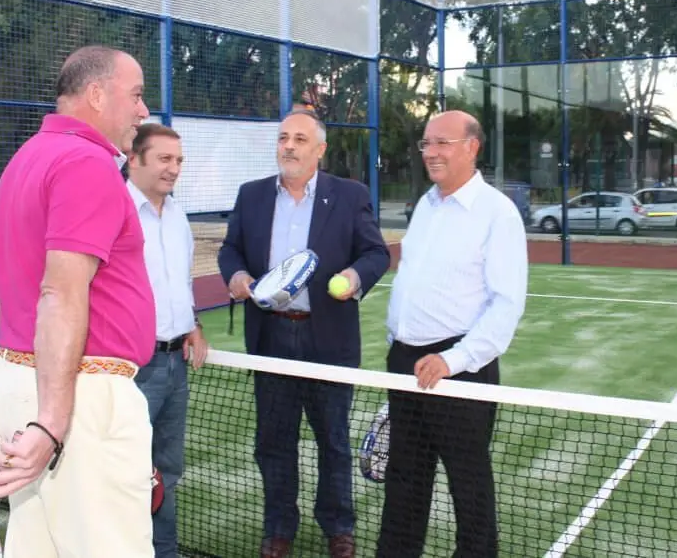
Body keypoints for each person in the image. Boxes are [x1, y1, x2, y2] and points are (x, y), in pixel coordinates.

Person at [0, 45, 156, 558]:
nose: (143, 110)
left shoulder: (27, 158)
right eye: (136, 95)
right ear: (97, 95)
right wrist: (53, 423)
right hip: (80, 397)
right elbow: (60, 291)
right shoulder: (87, 163)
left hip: (21, 378)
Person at [217, 108, 391, 558]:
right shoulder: (252, 195)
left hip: (328, 340)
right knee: (274, 441)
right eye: (283, 138)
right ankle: (279, 528)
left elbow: (376, 254)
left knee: (333, 441)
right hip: (270, 339)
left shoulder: (349, 196)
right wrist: (236, 275)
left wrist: (353, 277)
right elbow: (231, 250)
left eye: (299, 139)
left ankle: (338, 527)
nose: (289, 146)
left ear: (320, 150)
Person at [376, 110, 529, 558]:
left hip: (459, 368)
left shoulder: (497, 213)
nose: (431, 152)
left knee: (468, 482)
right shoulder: (426, 205)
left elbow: (506, 304)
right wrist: (399, 344)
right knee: (405, 478)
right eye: (426, 143)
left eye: (442, 142)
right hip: (405, 363)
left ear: (472, 147)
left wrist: (452, 360)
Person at [126, 122, 209, 558]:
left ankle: (165, 552)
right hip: (132, 367)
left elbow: (180, 281)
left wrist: (193, 323)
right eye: (164, 158)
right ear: (134, 159)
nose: (173, 168)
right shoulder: (114, 209)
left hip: (177, 363)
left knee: (166, 472)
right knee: (125, 472)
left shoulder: (177, 216)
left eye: (178, 160)